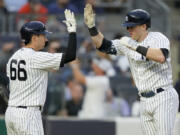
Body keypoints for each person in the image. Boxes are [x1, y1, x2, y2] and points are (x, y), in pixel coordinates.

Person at [84, 4, 179, 135]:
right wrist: (92, 28)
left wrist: (136, 47)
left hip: (163, 96)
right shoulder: (127, 42)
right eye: (127, 26)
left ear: (144, 26)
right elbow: (103, 45)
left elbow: (161, 56)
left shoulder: (157, 38)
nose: (128, 29)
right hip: (144, 99)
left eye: (132, 26)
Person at [5, 9, 77, 135]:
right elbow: (70, 56)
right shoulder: (36, 57)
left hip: (11, 113)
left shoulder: (13, 57)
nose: (45, 39)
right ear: (34, 37)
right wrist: (72, 32)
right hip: (29, 114)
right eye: (43, 35)